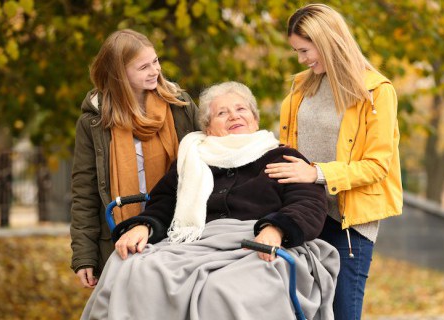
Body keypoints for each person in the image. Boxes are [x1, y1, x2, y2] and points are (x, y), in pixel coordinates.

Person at [81, 82, 339, 320]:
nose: (234, 116)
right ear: (207, 128)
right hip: (194, 243)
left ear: (255, 118)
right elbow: (164, 201)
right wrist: (144, 225)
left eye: (241, 109)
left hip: (260, 243)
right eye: (222, 113)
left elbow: (308, 202)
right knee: (130, 266)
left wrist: (276, 229)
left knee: (221, 290)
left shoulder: (280, 156)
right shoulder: (193, 158)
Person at [265, 4, 403, 320]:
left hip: (347, 223)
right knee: (299, 313)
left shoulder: (376, 92)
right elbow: (290, 148)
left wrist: (315, 173)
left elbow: (377, 166)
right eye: (296, 51)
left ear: (326, 40)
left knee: (342, 313)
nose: (301, 59)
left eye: (304, 50)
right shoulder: (301, 86)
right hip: (302, 214)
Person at [70, 29, 200, 288]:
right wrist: (84, 255)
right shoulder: (93, 122)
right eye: (143, 67)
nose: (155, 71)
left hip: (177, 232)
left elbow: (206, 162)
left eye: (155, 61)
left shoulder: (180, 106)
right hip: (120, 238)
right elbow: (84, 193)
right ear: (119, 73)